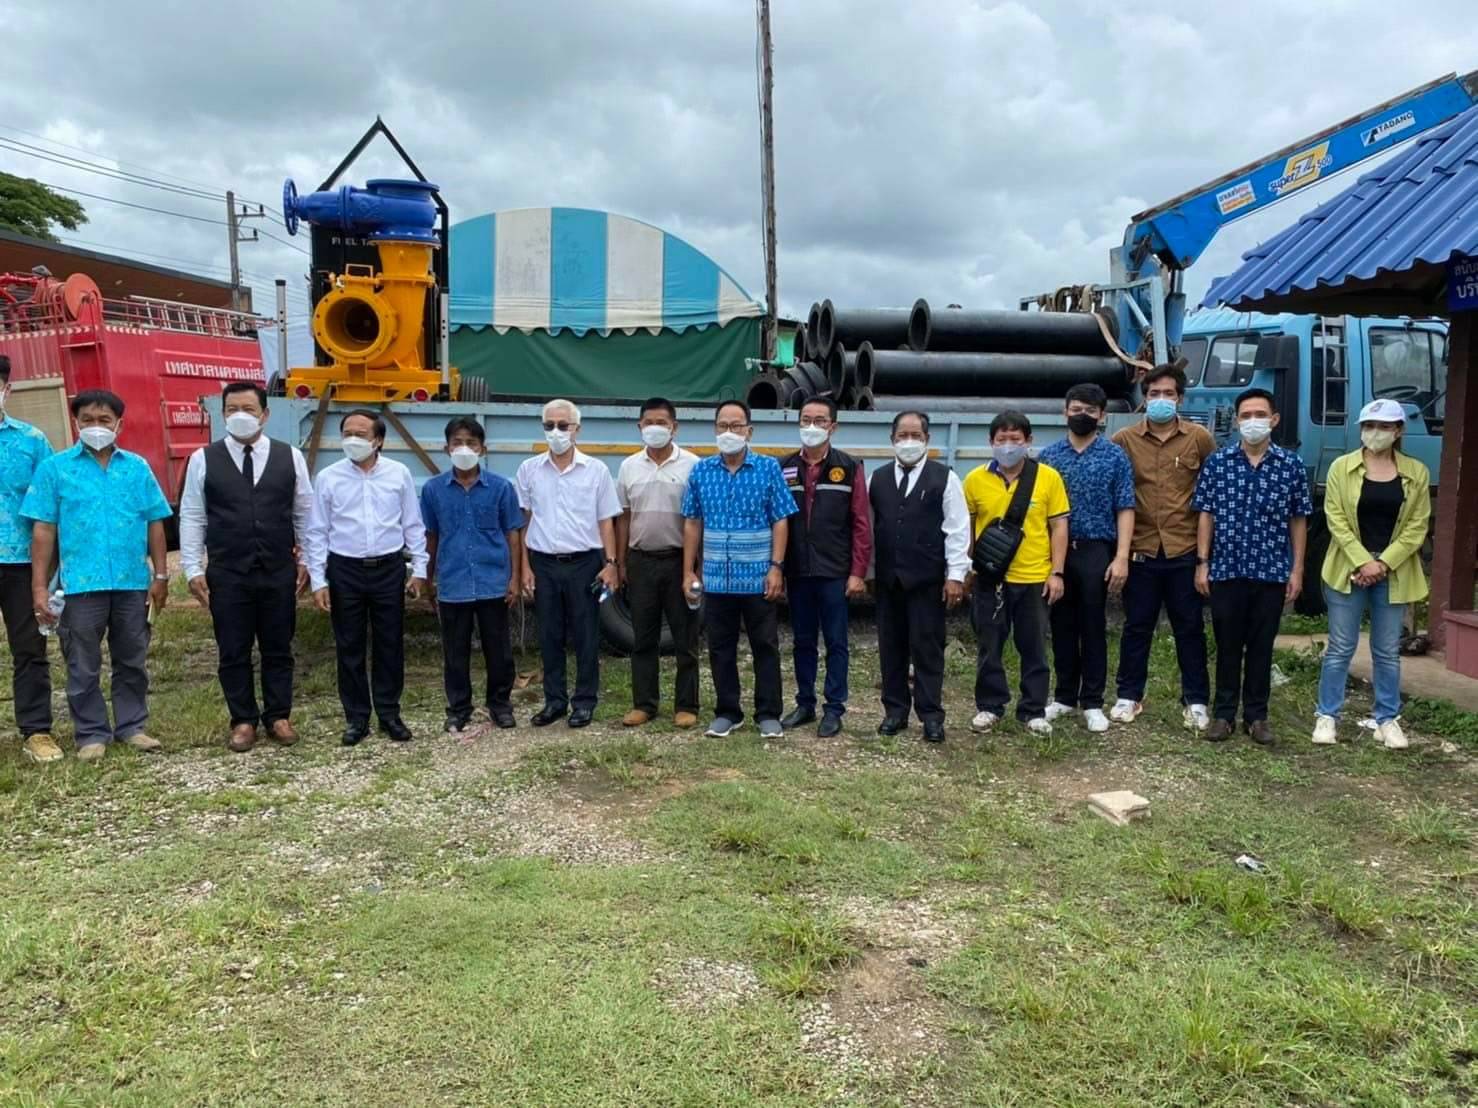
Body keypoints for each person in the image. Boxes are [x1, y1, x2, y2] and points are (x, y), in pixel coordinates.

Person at [23, 389, 171, 762]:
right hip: (79, 586)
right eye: (87, 419)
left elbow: (155, 522)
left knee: (132, 659)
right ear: (76, 423)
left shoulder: (136, 468)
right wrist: (39, 587)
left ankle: (132, 726)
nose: (96, 426)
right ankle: (91, 733)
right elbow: (44, 531)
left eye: (104, 420)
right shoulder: (55, 469)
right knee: (82, 664)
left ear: (119, 424)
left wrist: (161, 575)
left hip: (131, 582)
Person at [179, 381, 314, 753]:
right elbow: (192, 515)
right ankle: (242, 719)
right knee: (233, 648)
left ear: (265, 414)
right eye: (232, 410)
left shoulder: (290, 457)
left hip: (277, 568)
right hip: (228, 570)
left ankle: (278, 715)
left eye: (248, 409)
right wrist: (192, 568)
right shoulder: (203, 459)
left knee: (278, 645)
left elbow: (305, 513)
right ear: (223, 414)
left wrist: (307, 560)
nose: (240, 416)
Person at [1192, 387, 1311, 745]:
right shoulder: (1219, 462)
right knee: (1227, 645)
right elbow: (1205, 514)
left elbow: (1298, 519)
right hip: (1227, 569)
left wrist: (1297, 569)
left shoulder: (1290, 465)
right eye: (1246, 416)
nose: (1253, 421)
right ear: (1236, 421)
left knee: (1261, 646)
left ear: (1274, 420)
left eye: (1260, 415)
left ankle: (1257, 716)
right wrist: (1202, 562)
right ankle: (1224, 714)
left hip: (1271, 570)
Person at [305, 409, 428, 746]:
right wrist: (318, 580)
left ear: (378, 440)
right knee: (349, 646)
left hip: (388, 568)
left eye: (361, 434)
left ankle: (389, 713)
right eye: (347, 433)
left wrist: (420, 569)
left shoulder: (398, 474)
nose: (353, 440)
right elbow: (317, 531)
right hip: (345, 570)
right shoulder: (328, 477)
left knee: (390, 643)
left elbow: (412, 524)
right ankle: (357, 718)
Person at [1314, 399, 1430, 750]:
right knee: (1340, 647)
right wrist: (1363, 561)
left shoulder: (1416, 472)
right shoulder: (1341, 467)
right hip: (1348, 568)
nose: (1375, 433)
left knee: (1387, 651)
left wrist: (1382, 564)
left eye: (1383, 426)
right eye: (1368, 426)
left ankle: (1387, 719)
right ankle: (1327, 715)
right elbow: (1335, 518)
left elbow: (1417, 526)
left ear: (1398, 431)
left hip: (1393, 571)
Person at [1109, 364, 1216, 731]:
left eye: (1168, 394)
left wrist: (1204, 559)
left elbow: (1211, 494)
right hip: (1140, 549)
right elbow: (1116, 493)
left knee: (1189, 629)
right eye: (1154, 394)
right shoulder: (1124, 440)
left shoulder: (1199, 439)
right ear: (1144, 398)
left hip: (1183, 549)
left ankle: (1196, 701)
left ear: (1180, 399)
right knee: (1137, 626)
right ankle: (1129, 695)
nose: (1161, 400)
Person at [682, 399, 796, 738]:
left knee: (765, 645)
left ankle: (768, 713)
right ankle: (728, 712)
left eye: (736, 426)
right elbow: (692, 522)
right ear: (714, 429)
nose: (729, 432)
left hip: (758, 577)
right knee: (720, 647)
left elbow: (780, 520)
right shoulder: (701, 471)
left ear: (749, 431)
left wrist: (776, 567)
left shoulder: (768, 468)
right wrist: (689, 571)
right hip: (717, 578)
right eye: (723, 426)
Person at [962, 411, 1070, 735]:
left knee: (1033, 646)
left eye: (1015, 439)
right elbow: (967, 528)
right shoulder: (975, 480)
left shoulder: (1048, 478)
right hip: (990, 578)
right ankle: (989, 706)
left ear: (1028, 441)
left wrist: (1057, 572)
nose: (1008, 446)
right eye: (1002, 439)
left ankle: (1033, 710)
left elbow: (1059, 526)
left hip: (1034, 577)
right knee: (989, 645)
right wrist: (967, 569)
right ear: (991, 442)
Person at [516, 399, 621, 729]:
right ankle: (555, 701)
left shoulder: (596, 470)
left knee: (586, 635)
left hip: (584, 563)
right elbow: (523, 522)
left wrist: (611, 563)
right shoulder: (529, 470)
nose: (556, 432)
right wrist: (524, 567)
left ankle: (584, 702)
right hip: (544, 563)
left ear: (577, 429)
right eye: (549, 425)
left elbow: (606, 521)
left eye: (563, 425)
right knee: (549, 635)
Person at [1037, 384, 1135, 733]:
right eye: (1076, 409)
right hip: (1057, 552)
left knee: (1093, 626)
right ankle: (1065, 696)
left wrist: (1121, 556)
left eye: (1090, 411)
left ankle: (1092, 701)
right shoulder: (1048, 456)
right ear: (1065, 411)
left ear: (1102, 415)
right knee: (1061, 624)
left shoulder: (1114, 456)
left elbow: (1125, 507)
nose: (1082, 415)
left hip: (1096, 549)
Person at [868, 411, 970, 742]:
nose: (909, 441)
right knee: (891, 648)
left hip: (927, 580)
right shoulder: (877, 478)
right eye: (903, 435)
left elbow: (957, 530)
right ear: (892, 439)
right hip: (888, 581)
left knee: (927, 648)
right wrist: (868, 571)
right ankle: (895, 711)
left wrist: (956, 576)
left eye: (916, 436)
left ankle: (931, 716)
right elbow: (869, 529)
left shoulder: (945, 478)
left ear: (927, 439)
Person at [421, 417, 524, 735]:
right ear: (446, 449)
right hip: (453, 582)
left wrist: (514, 578)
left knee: (499, 651)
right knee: (455, 652)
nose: (464, 449)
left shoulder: (501, 488)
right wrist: (427, 579)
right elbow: (431, 536)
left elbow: (513, 534)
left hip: (493, 582)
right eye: (457, 443)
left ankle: (500, 705)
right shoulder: (433, 490)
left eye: (471, 443)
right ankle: (458, 709)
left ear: (483, 449)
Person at [779, 396, 871, 738]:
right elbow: (778, 520)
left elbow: (860, 523)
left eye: (819, 420)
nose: (811, 426)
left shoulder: (849, 467)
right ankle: (805, 703)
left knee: (836, 642)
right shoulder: (784, 467)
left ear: (833, 426)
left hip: (834, 571)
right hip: (798, 570)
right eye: (806, 419)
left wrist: (858, 572)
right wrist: (778, 568)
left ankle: (834, 709)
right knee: (802, 641)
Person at [615, 397, 700, 729]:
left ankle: (687, 705)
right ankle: (644, 704)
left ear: (674, 427)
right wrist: (621, 562)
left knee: (685, 638)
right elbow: (624, 517)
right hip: (641, 561)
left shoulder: (693, 465)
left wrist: (694, 566)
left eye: (661, 423)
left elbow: (697, 519)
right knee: (643, 638)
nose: (655, 428)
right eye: (648, 423)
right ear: (639, 427)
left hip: (679, 560)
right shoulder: (628, 467)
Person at [0, 355, 59, 764]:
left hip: (21, 565)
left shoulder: (32, 442)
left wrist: (50, 573)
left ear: (7, 388)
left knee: (30, 649)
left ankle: (37, 731)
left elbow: (50, 509)